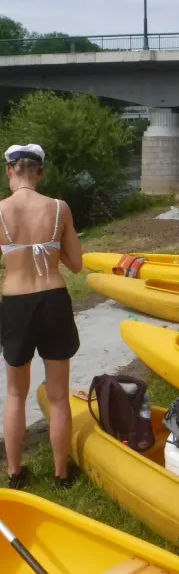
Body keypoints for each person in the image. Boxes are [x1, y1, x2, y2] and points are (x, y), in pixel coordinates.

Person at [0, 144, 82, 489]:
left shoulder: (0, 210)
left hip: (16, 302)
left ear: (10, 171)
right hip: (53, 300)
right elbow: (76, 264)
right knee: (59, 395)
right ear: (40, 173)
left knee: (15, 393)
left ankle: (15, 472)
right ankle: (61, 473)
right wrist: (50, 245)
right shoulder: (59, 208)